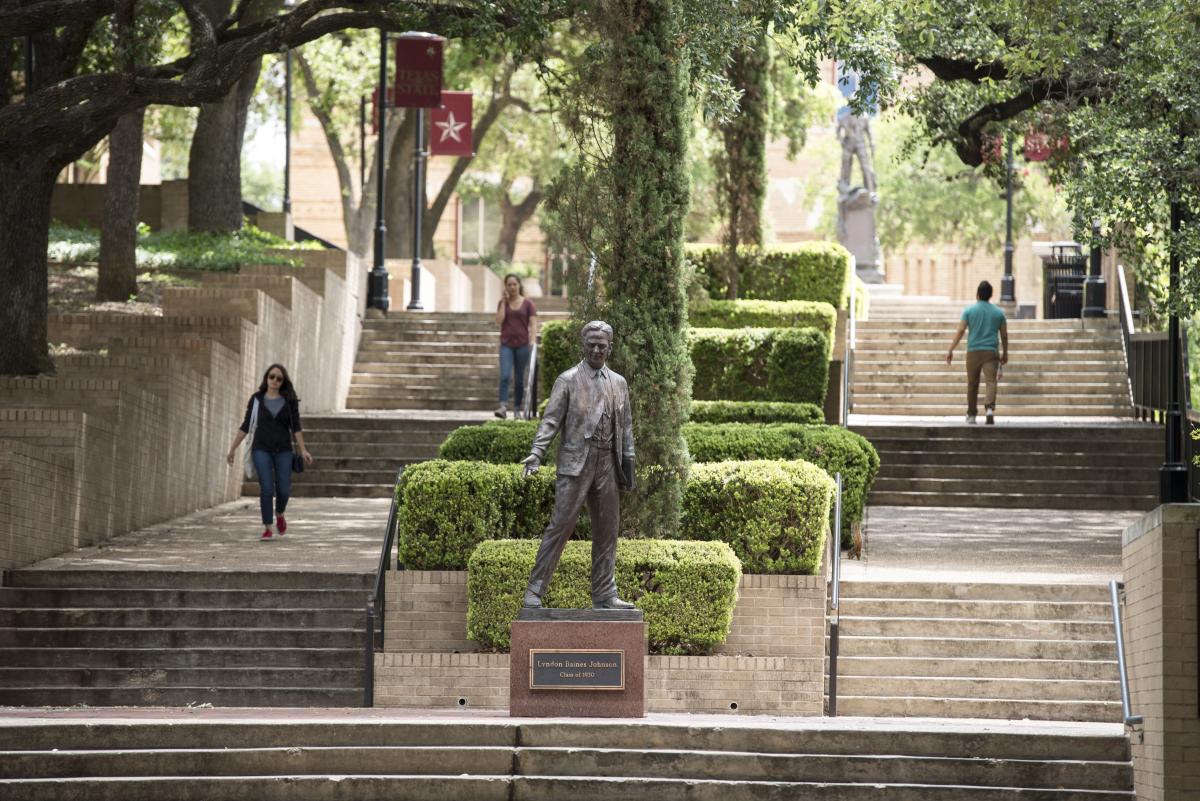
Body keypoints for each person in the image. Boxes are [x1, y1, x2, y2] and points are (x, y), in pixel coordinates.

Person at [520, 321, 636, 610]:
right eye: (591, 344)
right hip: (575, 465)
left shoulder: (619, 383)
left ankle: (605, 594)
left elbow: (626, 428)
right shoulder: (568, 380)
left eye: (602, 345)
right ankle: (535, 590)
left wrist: (628, 466)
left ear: (611, 347)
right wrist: (537, 452)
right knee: (561, 525)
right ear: (584, 346)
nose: (597, 349)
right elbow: (551, 420)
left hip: (608, 464)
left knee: (608, 530)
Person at [226, 364, 314, 539]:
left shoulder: (289, 401)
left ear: (283, 382)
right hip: (261, 449)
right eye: (271, 377)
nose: (274, 380)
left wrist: (303, 449)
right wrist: (233, 448)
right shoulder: (256, 399)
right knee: (266, 487)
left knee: (284, 490)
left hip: (283, 450)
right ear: (266, 378)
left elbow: (296, 427)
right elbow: (245, 426)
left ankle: (279, 513)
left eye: (279, 378)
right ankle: (267, 526)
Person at [945, 281, 1009, 424]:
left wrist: (951, 349)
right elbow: (1004, 335)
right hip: (991, 352)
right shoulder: (999, 313)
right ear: (991, 295)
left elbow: (961, 330)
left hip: (973, 351)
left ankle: (972, 414)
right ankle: (990, 409)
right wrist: (1005, 352)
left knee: (972, 383)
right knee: (991, 382)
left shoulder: (969, 311)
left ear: (977, 294)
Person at [495, 273, 537, 419]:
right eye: (509, 284)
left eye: (514, 284)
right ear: (506, 287)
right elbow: (499, 320)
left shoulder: (528, 304)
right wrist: (503, 302)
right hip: (506, 344)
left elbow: (533, 323)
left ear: (519, 285)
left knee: (519, 379)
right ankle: (503, 406)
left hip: (523, 345)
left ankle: (517, 409)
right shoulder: (503, 303)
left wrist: (532, 341)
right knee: (505, 375)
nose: (512, 287)